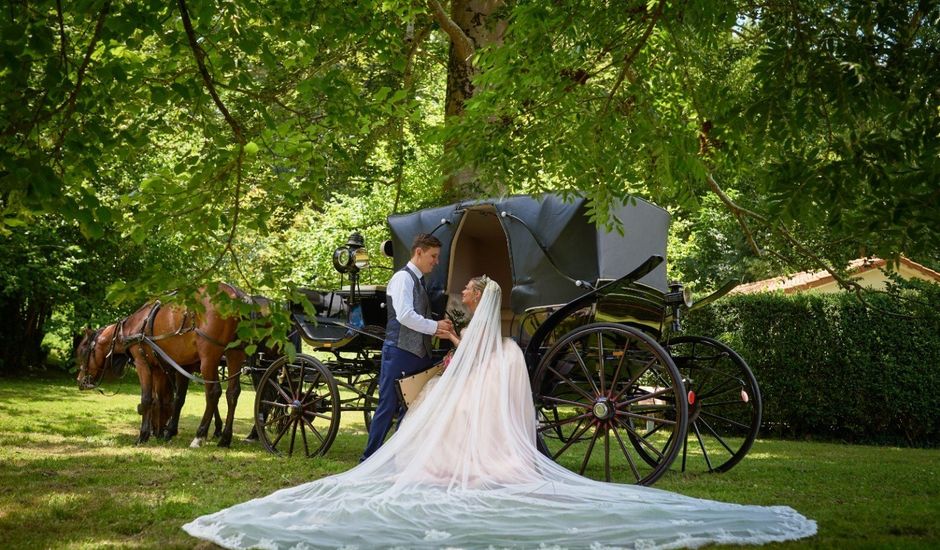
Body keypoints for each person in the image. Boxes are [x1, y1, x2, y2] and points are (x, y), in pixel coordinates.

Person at [184, 278, 816, 549]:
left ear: (474, 306)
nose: (458, 305)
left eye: (463, 300)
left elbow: (459, 392)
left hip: (475, 451)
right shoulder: (509, 353)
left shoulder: (487, 351)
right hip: (503, 446)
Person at [360, 233, 452, 462]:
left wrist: (438, 329)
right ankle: (368, 459)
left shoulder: (419, 280)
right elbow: (405, 316)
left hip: (419, 354)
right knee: (388, 405)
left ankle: (397, 459)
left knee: (412, 407)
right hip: (400, 352)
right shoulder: (403, 278)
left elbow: (417, 317)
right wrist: (434, 326)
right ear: (418, 252)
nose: (436, 261)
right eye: (433, 256)